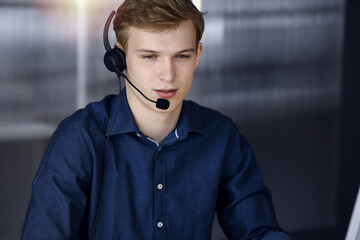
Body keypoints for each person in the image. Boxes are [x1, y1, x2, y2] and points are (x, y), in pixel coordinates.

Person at [21, 0, 291, 239]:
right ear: (120, 58)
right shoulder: (78, 139)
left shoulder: (222, 136)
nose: (168, 75)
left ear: (198, 55)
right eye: (150, 56)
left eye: (182, 56)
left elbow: (258, 231)